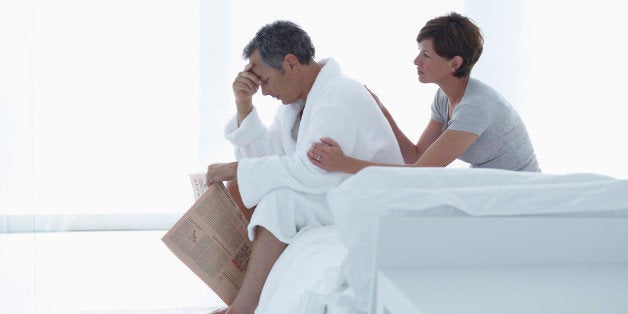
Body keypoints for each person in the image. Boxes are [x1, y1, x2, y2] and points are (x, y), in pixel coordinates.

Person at [205, 20, 403, 314]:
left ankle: (243, 308)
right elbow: (267, 156)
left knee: (280, 202)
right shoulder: (296, 104)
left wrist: (236, 170)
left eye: (265, 80)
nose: (265, 92)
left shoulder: (338, 97)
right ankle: (242, 302)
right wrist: (243, 103)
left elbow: (313, 172)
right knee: (266, 194)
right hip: (336, 190)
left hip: (369, 200)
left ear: (291, 63)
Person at [308, 12, 540, 174]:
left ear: (455, 63)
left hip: (520, 193)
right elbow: (417, 156)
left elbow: (419, 172)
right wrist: (382, 111)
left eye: (426, 55)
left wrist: (343, 164)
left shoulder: (475, 107)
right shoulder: (444, 98)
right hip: (493, 188)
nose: (416, 61)